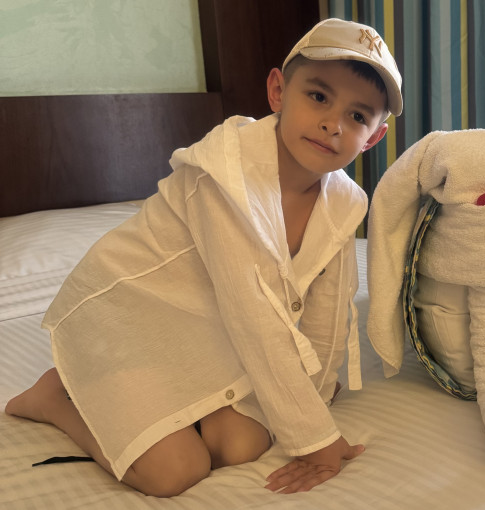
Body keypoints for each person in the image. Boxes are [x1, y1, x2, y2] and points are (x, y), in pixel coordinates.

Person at [4, 18, 402, 497]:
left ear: (373, 137)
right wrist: (316, 440)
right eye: (318, 96)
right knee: (173, 472)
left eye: (357, 116)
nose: (333, 124)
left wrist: (315, 399)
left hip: (203, 327)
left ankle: (180, 402)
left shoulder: (345, 201)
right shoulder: (223, 176)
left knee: (241, 444)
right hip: (126, 319)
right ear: (278, 91)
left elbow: (328, 314)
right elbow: (253, 316)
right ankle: (53, 397)